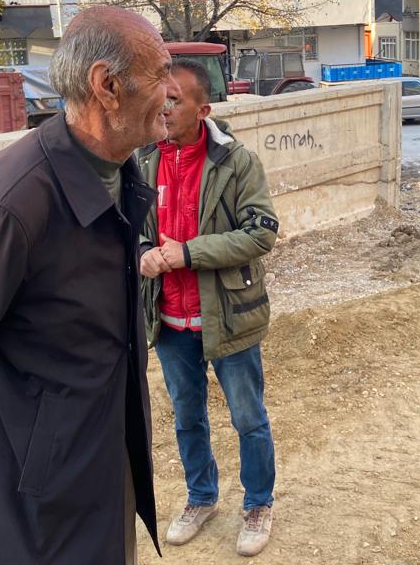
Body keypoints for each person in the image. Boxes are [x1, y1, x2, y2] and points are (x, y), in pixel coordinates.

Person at [0, 7, 179, 564]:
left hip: (96, 471)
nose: (174, 91)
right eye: (162, 73)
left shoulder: (119, 173)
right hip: (29, 511)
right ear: (107, 86)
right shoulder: (12, 203)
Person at [137, 59, 278, 557]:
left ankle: (258, 504)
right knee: (187, 418)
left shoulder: (237, 162)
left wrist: (190, 253)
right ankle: (201, 497)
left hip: (228, 316)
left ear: (203, 109)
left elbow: (261, 232)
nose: (164, 108)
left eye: (174, 100)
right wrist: (142, 252)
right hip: (169, 319)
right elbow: (126, 226)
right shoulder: (143, 161)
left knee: (248, 418)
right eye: (160, 98)